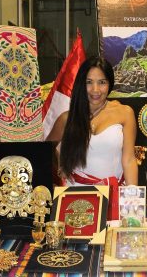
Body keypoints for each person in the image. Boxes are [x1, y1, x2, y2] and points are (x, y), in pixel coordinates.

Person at [46, 56, 138, 220]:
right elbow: (44, 151)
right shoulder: (66, 119)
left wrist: (133, 206)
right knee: (77, 244)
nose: (96, 89)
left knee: (115, 244)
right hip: (76, 197)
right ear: (81, 84)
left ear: (110, 84)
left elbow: (129, 160)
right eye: (89, 82)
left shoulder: (125, 113)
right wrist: (60, 164)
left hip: (114, 196)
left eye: (102, 82)